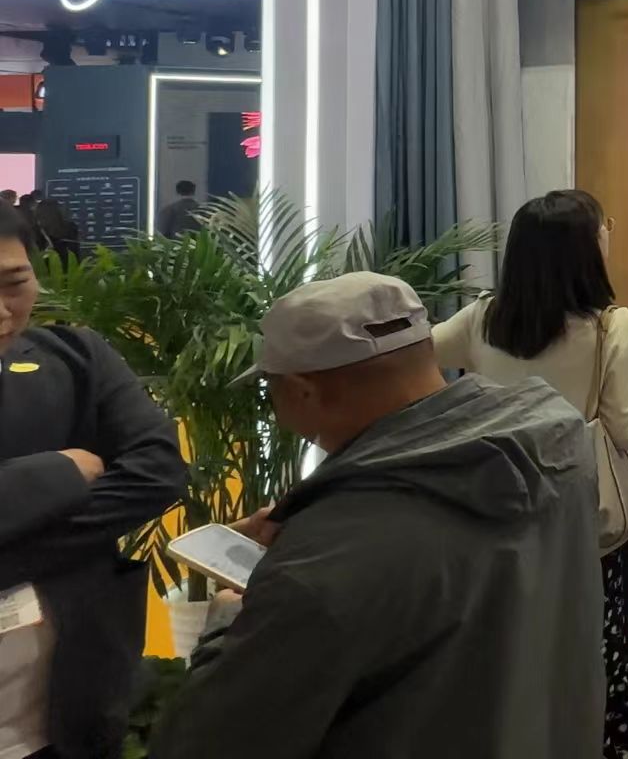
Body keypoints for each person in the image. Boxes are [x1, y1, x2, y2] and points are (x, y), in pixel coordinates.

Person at [152, 272, 602, 757]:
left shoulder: (326, 555)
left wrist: (229, 620)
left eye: (271, 388)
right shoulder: (559, 447)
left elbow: (207, 741)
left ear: (303, 391)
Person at [432, 189, 628, 758]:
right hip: (579, 512)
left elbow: (418, 356)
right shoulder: (614, 328)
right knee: (596, 647)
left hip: (495, 506)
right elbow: (626, 429)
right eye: (603, 228)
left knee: (515, 647)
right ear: (586, 248)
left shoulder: (482, 318)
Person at [0, 204, 186, 759]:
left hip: (66, 706)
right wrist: (59, 472)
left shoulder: (77, 358)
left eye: (14, 283)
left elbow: (157, 471)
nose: (2, 311)